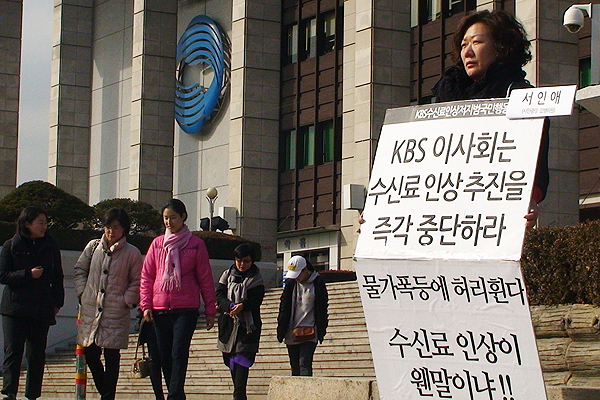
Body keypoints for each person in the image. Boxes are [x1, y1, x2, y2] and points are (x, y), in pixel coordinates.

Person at [431, 9, 550, 229]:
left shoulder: (521, 96)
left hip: (491, 218)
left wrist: (530, 197)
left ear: (501, 47)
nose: (467, 52)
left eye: (476, 42)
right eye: (463, 45)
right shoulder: (446, 96)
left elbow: (536, 159)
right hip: (444, 216)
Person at [140, 198, 217, 400]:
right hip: (159, 308)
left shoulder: (196, 245)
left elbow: (205, 279)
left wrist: (210, 310)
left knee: (179, 352)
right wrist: (146, 304)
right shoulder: (157, 244)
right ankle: (176, 394)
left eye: (173, 217)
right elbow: (147, 276)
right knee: (164, 355)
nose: (169, 222)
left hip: (186, 309)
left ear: (183, 217)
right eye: (165, 218)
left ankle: (174, 395)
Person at [74, 208, 142, 400]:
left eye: (116, 227)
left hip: (116, 311)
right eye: (108, 227)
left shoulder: (132, 253)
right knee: (90, 354)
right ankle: (106, 393)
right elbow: (80, 270)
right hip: (91, 309)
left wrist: (126, 300)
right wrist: (83, 292)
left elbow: (137, 281)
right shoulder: (93, 247)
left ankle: (108, 395)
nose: (111, 231)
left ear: (124, 229)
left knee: (112, 357)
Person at [0, 206, 64, 400]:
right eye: (40, 223)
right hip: (15, 308)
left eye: (45, 223)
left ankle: (32, 394)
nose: (44, 227)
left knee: (36, 354)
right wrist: (27, 274)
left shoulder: (50, 246)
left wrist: (57, 303)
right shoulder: (11, 245)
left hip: (41, 307)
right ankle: (9, 392)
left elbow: (58, 276)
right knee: (13, 351)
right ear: (27, 224)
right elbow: (3, 275)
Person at [216, 243, 265, 400]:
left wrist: (243, 306)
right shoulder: (227, 275)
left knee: (241, 360)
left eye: (246, 261)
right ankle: (239, 393)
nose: (242, 264)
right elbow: (219, 295)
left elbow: (257, 300)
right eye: (239, 260)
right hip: (228, 325)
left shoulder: (256, 278)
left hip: (247, 327)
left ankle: (239, 395)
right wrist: (229, 305)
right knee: (230, 360)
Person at [276, 255, 328, 376]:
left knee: (304, 363)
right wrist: (281, 329)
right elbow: (284, 307)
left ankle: (306, 387)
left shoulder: (317, 283)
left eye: (298, 274)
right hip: (291, 332)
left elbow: (322, 307)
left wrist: (321, 328)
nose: (297, 278)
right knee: (295, 366)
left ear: (305, 270)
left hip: (310, 331)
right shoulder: (290, 284)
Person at [136, 314, 164, 400]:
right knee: (154, 361)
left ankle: (173, 394)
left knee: (165, 360)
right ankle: (159, 396)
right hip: (151, 321)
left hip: (167, 318)